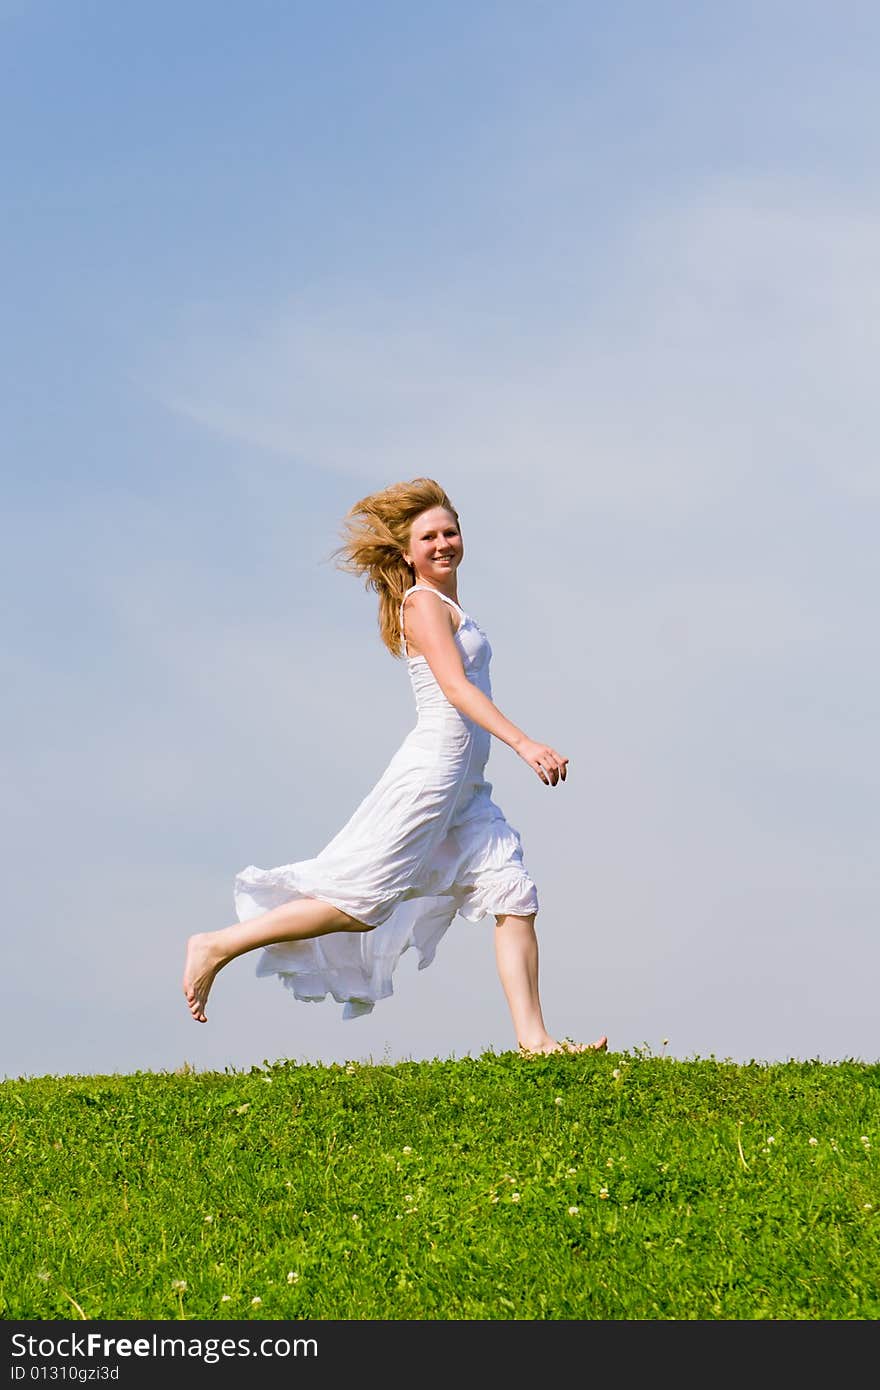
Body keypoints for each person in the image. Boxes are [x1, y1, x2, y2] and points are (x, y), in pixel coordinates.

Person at [183, 478, 607, 1057]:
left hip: (466, 788)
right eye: (427, 537)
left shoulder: (450, 604)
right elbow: (456, 688)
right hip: (432, 778)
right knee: (360, 906)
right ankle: (217, 945)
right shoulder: (422, 604)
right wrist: (524, 742)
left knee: (512, 891)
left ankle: (534, 1040)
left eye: (449, 532)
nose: (442, 544)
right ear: (407, 553)